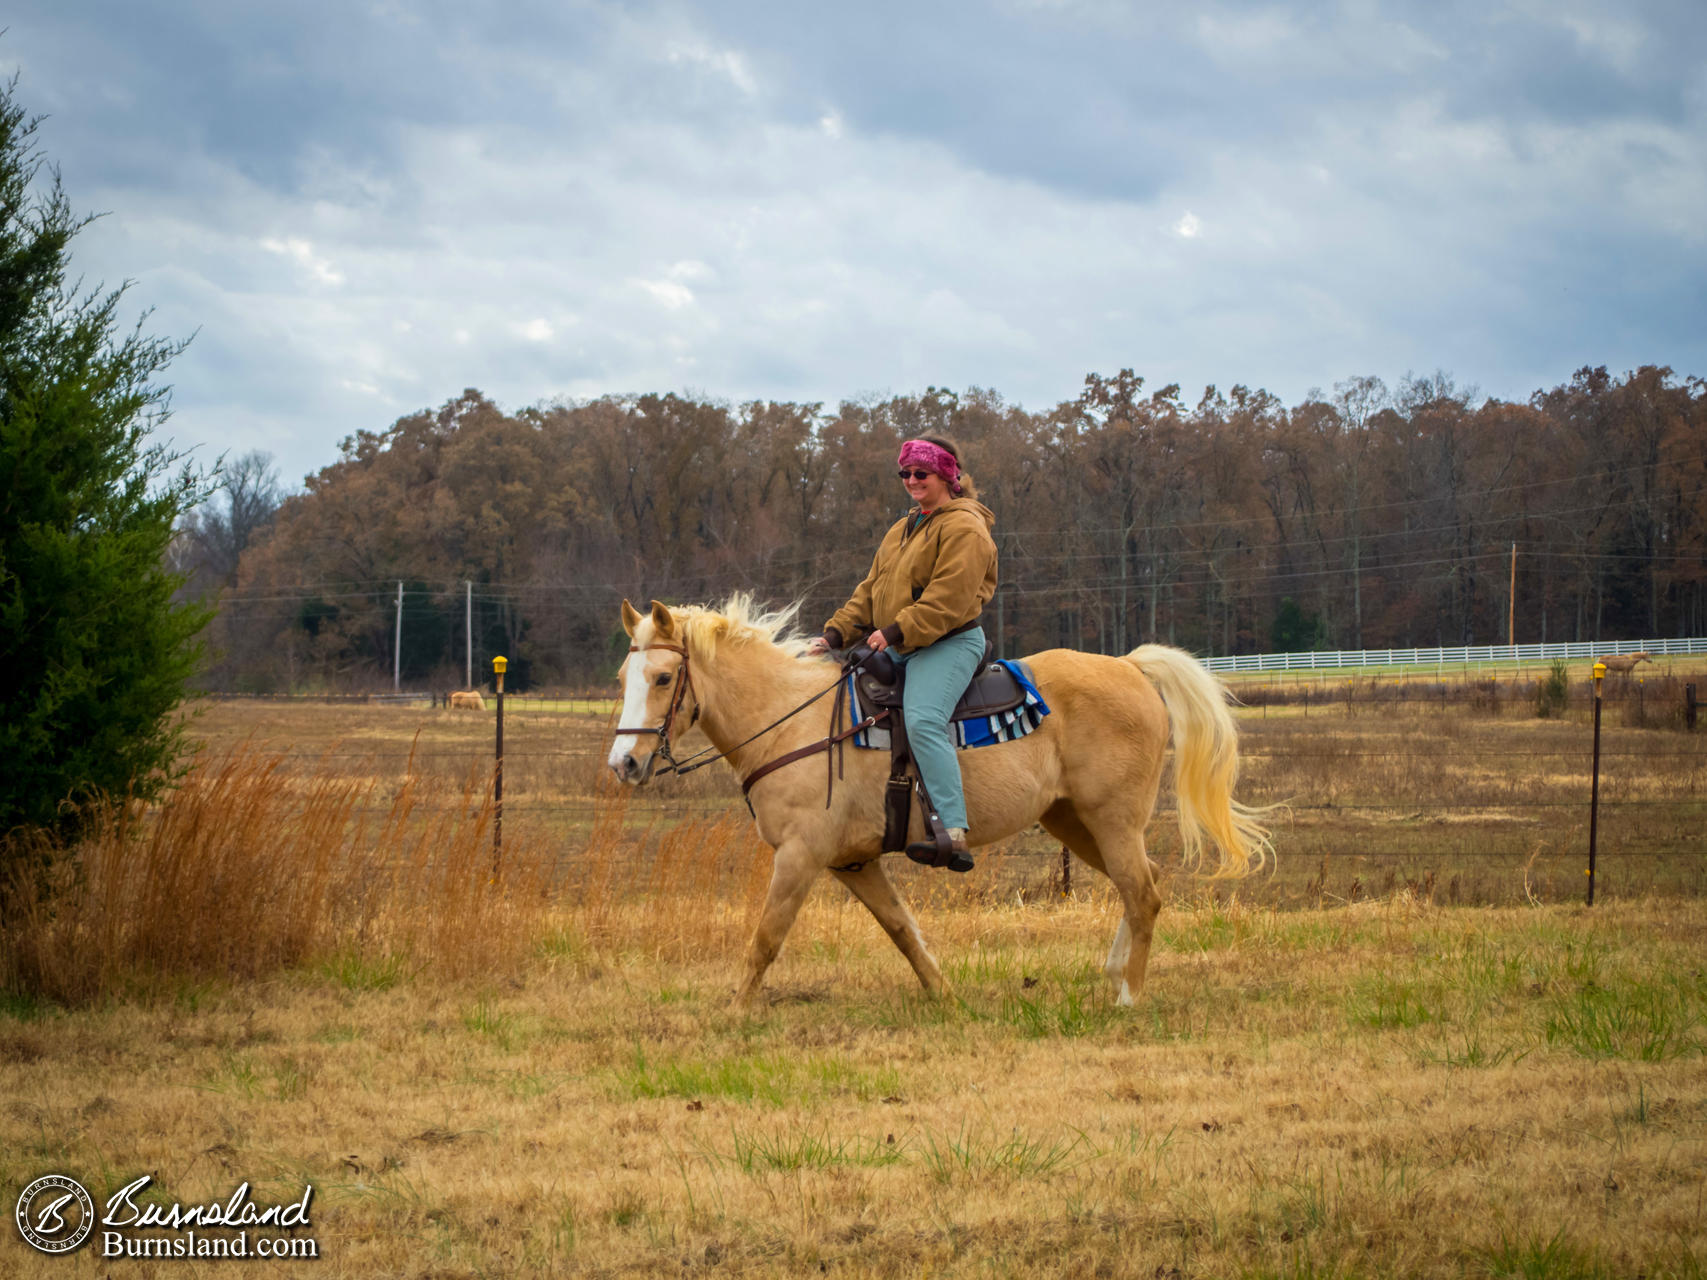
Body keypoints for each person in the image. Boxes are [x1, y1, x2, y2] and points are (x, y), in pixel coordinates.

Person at [807, 436, 998, 869]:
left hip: (947, 642)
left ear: (947, 476)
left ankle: (952, 829)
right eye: (905, 473)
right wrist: (834, 635)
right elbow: (870, 592)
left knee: (923, 719)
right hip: (901, 642)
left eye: (921, 473)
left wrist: (893, 631)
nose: (911, 480)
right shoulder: (903, 527)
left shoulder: (966, 528)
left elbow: (948, 599)